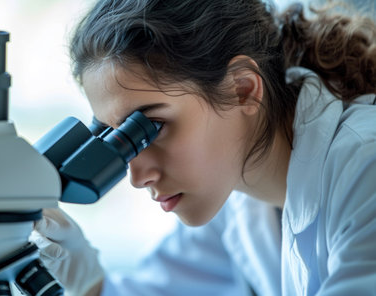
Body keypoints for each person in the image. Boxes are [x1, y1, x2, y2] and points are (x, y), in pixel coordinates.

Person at [30, 0, 376, 295]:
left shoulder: (365, 167)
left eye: (151, 128)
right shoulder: (235, 193)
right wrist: (82, 273)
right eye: (113, 136)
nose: (136, 176)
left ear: (242, 89)